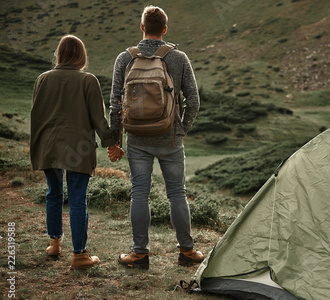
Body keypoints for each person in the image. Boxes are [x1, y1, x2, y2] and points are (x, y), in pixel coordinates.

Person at [108, 5, 203, 269]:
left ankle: (139, 255)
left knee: (140, 193)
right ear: (164, 29)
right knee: (177, 193)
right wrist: (181, 129)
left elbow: (115, 103)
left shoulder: (124, 58)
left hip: (136, 139)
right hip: (171, 138)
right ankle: (187, 252)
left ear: (142, 28)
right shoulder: (179, 58)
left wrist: (116, 140)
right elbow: (193, 101)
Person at [30, 35, 124, 270]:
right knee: (77, 200)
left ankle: (54, 243)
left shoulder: (42, 79)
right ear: (81, 56)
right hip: (77, 148)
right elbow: (98, 118)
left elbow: (36, 114)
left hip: (47, 146)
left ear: (59, 54)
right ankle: (80, 255)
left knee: (53, 193)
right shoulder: (87, 80)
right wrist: (111, 144)